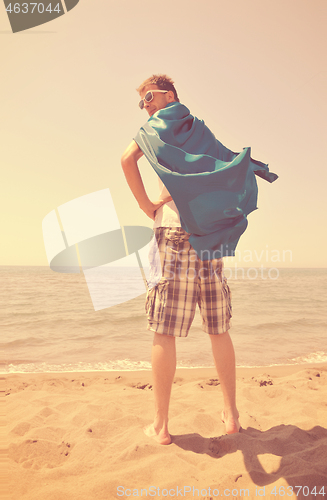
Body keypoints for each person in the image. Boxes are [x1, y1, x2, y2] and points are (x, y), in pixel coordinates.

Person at [121, 74, 242, 445]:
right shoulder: (199, 130)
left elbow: (126, 160)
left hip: (173, 231)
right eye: (142, 102)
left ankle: (160, 426)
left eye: (150, 97)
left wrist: (146, 205)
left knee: (164, 330)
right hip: (205, 234)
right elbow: (228, 168)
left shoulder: (159, 125)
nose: (146, 106)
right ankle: (232, 415)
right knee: (218, 328)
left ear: (169, 95)